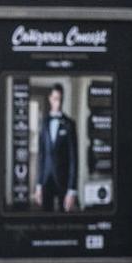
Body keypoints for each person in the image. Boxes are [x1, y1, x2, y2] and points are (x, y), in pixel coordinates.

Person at [34, 83, 77, 213]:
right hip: (46, 179)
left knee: (63, 220)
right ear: (50, 98)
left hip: (63, 180)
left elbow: (73, 159)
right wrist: (38, 185)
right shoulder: (44, 123)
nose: (57, 102)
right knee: (46, 218)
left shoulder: (69, 124)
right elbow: (41, 156)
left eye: (59, 99)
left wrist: (72, 190)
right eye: (55, 98)